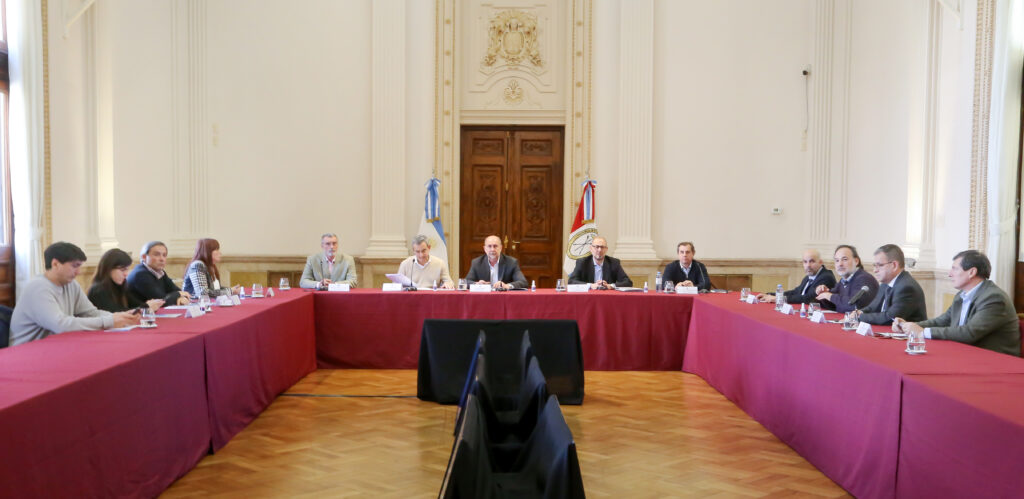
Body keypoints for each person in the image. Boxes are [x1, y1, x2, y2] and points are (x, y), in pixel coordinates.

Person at [9, 242, 139, 346]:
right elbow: (61, 325)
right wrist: (109, 321)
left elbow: (90, 313)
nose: (79, 272)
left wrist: (122, 317)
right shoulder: (38, 288)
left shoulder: (71, 284)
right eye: (75, 266)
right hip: (27, 352)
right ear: (55, 264)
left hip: (55, 347)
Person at [895, 250, 1020, 356]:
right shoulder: (961, 294)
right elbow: (942, 321)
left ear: (972, 272)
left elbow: (969, 333)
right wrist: (909, 326)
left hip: (993, 360)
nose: (949, 274)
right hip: (966, 353)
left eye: (955, 269)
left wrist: (922, 332)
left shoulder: (994, 298)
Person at [851, 244, 926, 325]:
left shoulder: (906, 287)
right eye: (874, 265)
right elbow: (873, 307)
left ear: (894, 265)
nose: (875, 270)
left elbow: (890, 318)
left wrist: (860, 317)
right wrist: (860, 312)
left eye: (879, 265)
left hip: (907, 333)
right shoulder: (885, 283)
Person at [88, 248, 165, 313]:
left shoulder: (120, 285)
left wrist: (149, 305)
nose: (126, 274)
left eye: (127, 269)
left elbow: (135, 304)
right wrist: (146, 307)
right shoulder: (98, 290)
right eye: (122, 270)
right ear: (108, 269)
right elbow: (115, 314)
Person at [815, 244, 878, 313]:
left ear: (856, 261)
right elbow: (834, 305)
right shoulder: (843, 280)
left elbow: (853, 306)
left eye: (844, 259)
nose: (840, 264)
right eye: (837, 260)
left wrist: (829, 296)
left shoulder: (864, 279)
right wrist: (823, 294)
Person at [759, 249, 837, 304]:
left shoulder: (826, 277)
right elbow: (796, 292)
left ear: (820, 262)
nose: (808, 265)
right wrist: (771, 294)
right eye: (805, 262)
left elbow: (808, 298)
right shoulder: (808, 277)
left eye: (812, 261)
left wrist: (779, 299)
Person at [126, 240, 191, 306]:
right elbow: (161, 301)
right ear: (144, 257)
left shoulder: (160, 272)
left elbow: (176, 290)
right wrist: (179, 294)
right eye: (157, 255)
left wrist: (181, 296)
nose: (162, 259)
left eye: (164, 255)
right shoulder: (140, 274)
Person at [568, 236, 633, 289]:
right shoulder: (582, 262)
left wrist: (611, 286)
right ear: (591, 248)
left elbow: (628, 282)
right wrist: (590, 285)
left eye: (602, 247)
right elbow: (571, 281)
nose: (599, 250)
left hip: (607, 297)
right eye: (597, 247)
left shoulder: (614, 263)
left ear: (606, 249)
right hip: (588, 296)